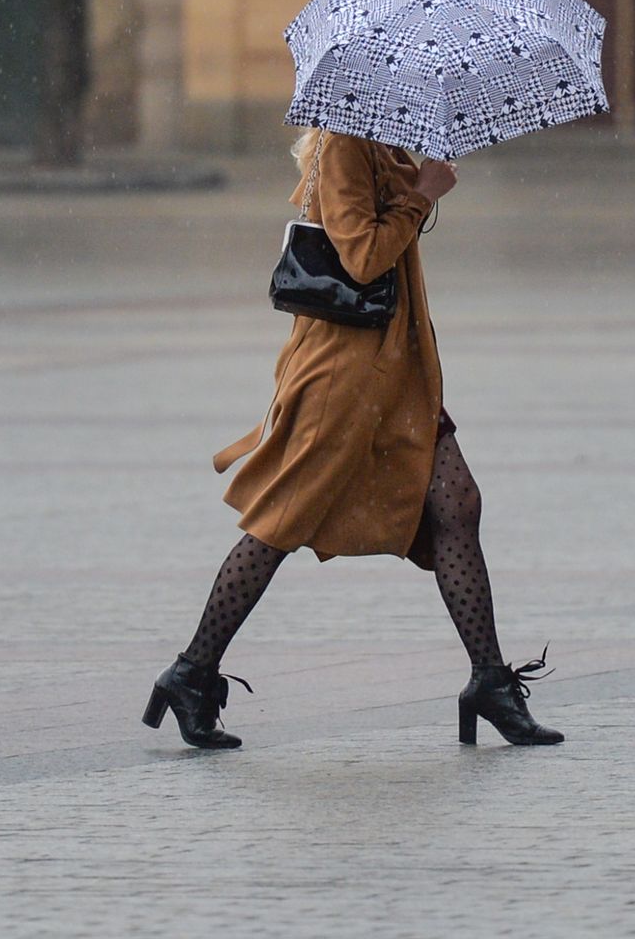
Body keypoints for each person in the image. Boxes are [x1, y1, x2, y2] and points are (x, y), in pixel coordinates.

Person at [142, 127, 562, 749]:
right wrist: (422, 194)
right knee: (282, 521)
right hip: (343, 372)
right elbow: (362, 257)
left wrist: (416, 184)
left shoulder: (385, 144)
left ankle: (489, 683)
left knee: (455, 503)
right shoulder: (344, 144)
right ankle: (191, 673)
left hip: (392, 369)